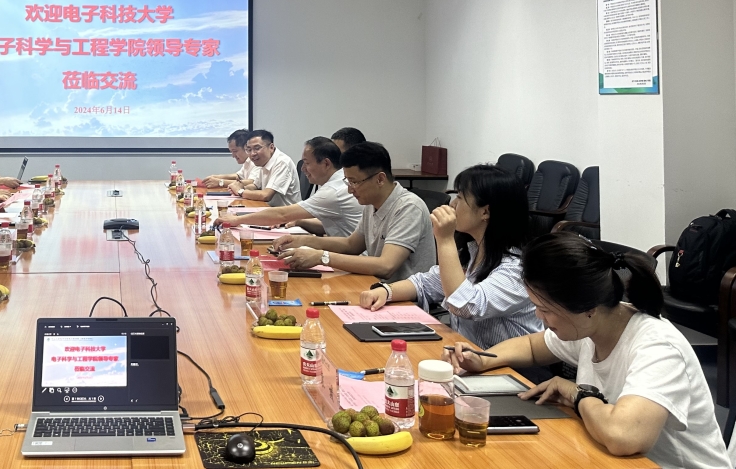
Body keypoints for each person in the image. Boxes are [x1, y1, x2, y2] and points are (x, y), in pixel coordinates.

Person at [447, 234, 729, 469]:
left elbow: (624, 436)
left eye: (545, 309)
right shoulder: (594, 325)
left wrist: (577, 393)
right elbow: (532, 346)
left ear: (588, 310)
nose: (538, 316)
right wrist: (482, 360)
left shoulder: (657, 347)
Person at [357, 164, 541, 349]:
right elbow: (425, 283)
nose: (452, 205)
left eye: (460, 198)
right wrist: (386, 291)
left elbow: (466, 306)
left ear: (485, 212)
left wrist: (445, 240)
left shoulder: (516, 270)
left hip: (503, 364)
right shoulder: (473, 252)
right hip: (465, 353)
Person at [273, 142, 436, 279]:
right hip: (376, 287)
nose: (350, 190)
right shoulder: (371, 203)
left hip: (405, 299)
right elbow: (351, 245)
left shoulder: (408, 207)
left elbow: (386, 266)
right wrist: (303, 241)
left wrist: (322, 257)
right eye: (348, 181)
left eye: (354, 182)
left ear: (380, 179)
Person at [221, 137, 361, 237]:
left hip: (354, 259)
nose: (303, 169)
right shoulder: (337, 182)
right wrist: (298, 221)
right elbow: (330, 226)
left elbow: (281, 214)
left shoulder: (333, 191)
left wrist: (237, 220)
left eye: (307, 163)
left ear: (326, 164)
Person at [228, 129, 300, 206]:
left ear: (271, 147)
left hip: (284, 212)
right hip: (268, 208)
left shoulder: (282, 162)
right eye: (249, 149)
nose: (252, 154)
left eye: (257, 148)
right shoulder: (263, 162)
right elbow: (255, 186)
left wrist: (240, 191)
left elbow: (266, 195)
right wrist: (241, 187)